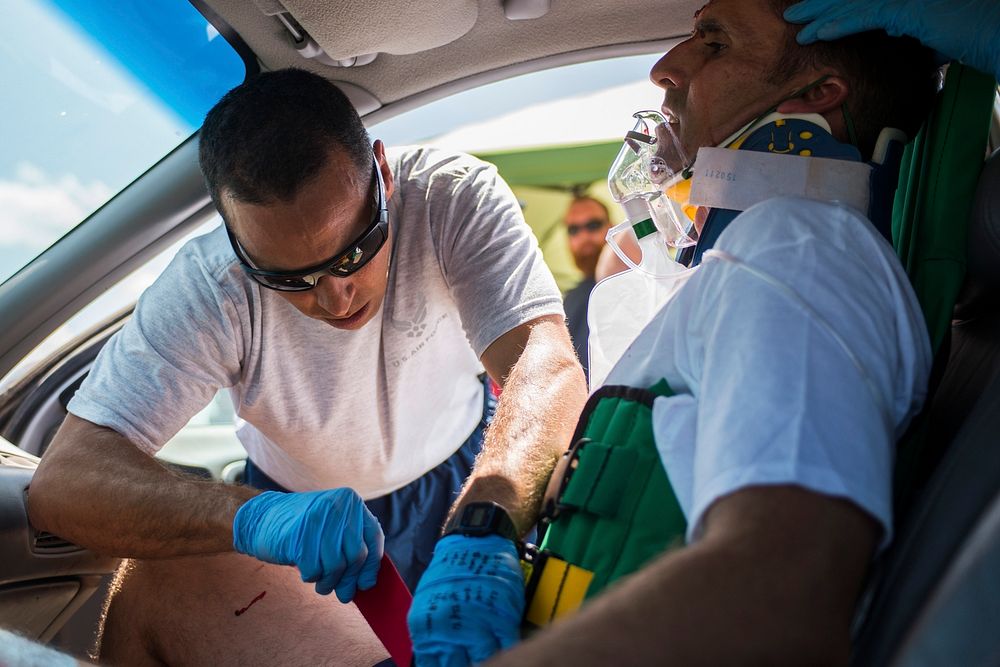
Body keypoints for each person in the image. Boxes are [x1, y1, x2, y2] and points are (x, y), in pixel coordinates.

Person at [410, 0, 946, 664]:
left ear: (818, 92)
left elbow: (781, 591)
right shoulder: (750, 259)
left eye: (713, 43)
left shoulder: (798, 247)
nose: (665, 67)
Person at [25, 68, 587, 666]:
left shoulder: (451, 198)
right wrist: (253, 517)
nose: (333, 297)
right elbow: (65, 485)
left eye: (354, 251)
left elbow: (542, 363)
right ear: (234, 236)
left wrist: (487, 520)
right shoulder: (209, 288)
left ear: (382, 171)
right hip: (296, 524)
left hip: (469, 472)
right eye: (286, 278)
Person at [561, 196, 612, 377]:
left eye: (593, 225)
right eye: (573, 229)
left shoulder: (637, 283)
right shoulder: (569, 300)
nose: (584, 237)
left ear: (611, 227)